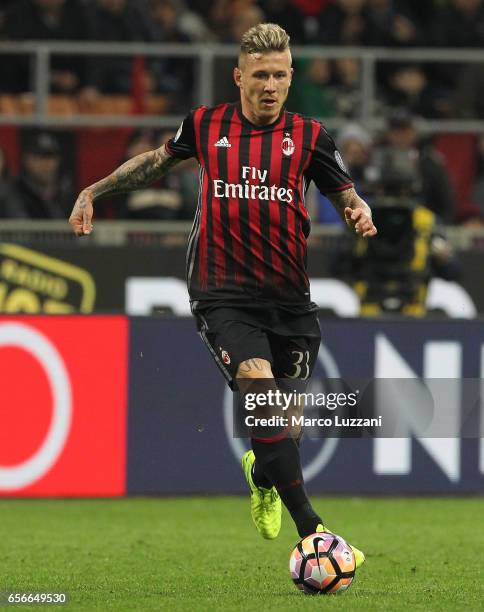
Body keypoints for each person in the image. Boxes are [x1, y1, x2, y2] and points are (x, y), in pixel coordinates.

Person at [68, 23, 376, 567]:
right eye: (260, 75)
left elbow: (346, 193)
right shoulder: (207, 126)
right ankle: (316, 533)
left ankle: (262, 474)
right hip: (222, 294)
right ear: (239, 76)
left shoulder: (310, 136)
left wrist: (358, 209)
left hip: (290, 300)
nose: (270, 85)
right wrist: (94, 190)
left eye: (280, 75)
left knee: (286, 429)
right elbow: (153, 165)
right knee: (260, 397)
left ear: (290, 78)